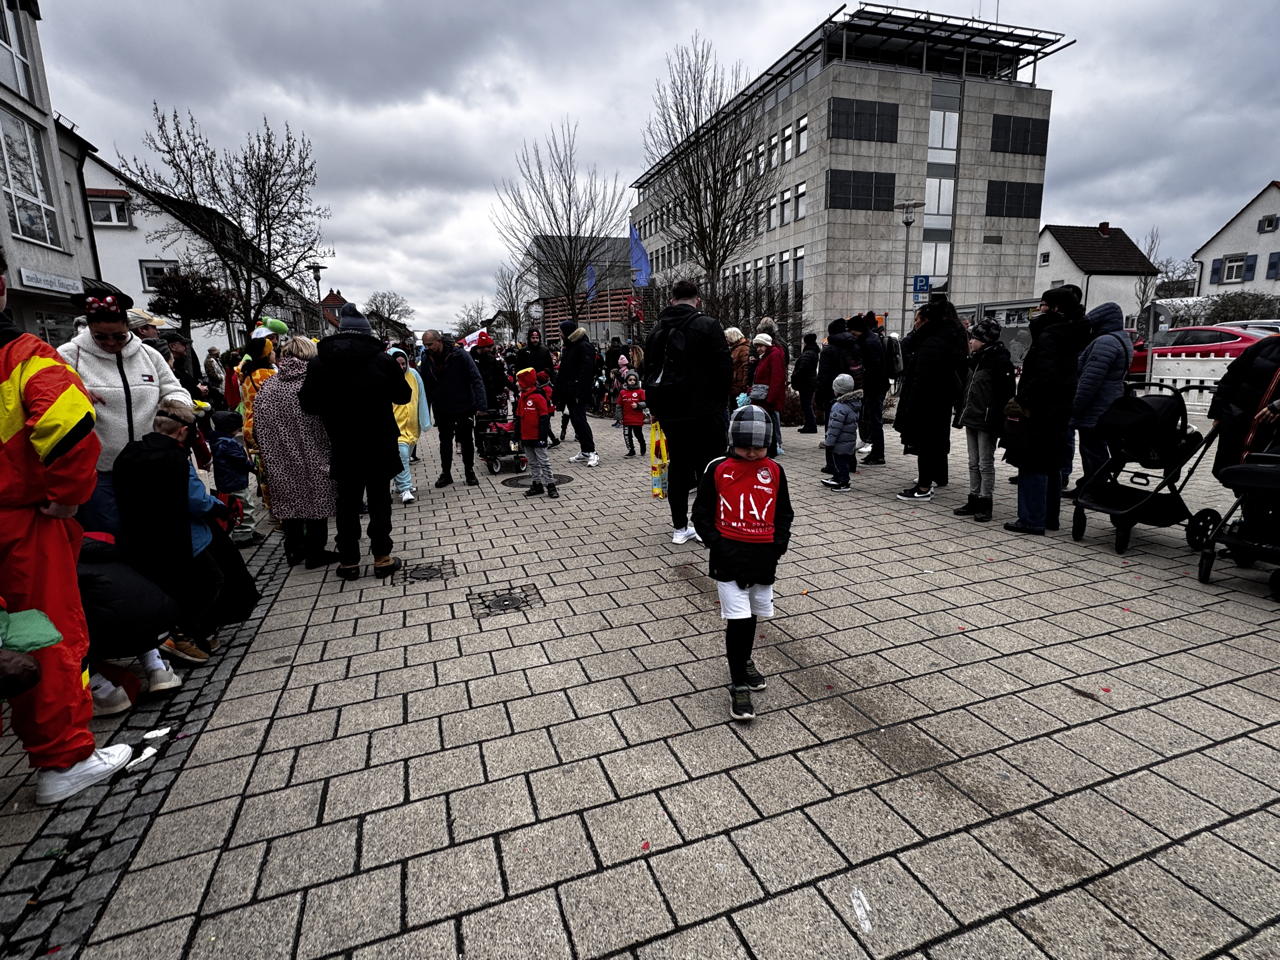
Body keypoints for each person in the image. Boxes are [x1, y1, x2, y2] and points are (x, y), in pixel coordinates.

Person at [0, 302, 132, 803]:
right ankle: (64, 761)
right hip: (19, 526)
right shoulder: (24, 360)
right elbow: (72, 425)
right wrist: (67, 496)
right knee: (42, 636)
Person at [690, 405, 794, 722]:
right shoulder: (719, 468)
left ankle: (744, 659)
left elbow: (784, 512)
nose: (752, 453)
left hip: (763, 558)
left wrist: (778, 546)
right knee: (738, 620)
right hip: (728, 558)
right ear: (732, 441)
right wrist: (719, 546)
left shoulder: (774, 471)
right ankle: (737, 684)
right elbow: (702, 514)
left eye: (759, 446)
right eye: (745, 446)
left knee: (752, 617)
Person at [57, 293, 190, 534]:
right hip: (100, 472)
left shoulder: (149, 355)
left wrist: (174, 412)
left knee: (151, 532)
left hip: (147, 467)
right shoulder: (69, 355)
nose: (110, 343)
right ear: (89, 329)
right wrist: (76, 396)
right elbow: (50, 399)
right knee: (111, 535)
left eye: (118, 336)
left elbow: (174, 390)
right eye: (100, 337)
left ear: (129, 328)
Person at [300, 304, 410, 579]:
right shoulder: (382, 360)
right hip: (379, 441)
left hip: (342, 441)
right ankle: (382, 557)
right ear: (366, 333)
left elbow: (308, 404)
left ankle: (349, 560)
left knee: (347, 503)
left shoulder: (319, 362)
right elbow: (403, 396)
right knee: (379, 500)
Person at [644, 279, 732, 543]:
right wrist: (721, 402)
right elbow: (723, 369)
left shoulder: (656, 329)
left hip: (671, 411)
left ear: (672, 300)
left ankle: (679, 527)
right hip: (706, 410)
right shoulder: (708, 325)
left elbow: (649, 371)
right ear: (698, 300)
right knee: (709, 467)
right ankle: (704, 525)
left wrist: (656, 408)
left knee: (679, 467)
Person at [1004, 288, 1090, 535]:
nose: (1039, 309)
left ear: (1055, 308)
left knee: (1032, 463)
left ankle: (1031, 519)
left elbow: (1044, 376)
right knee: (1052, 464)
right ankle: (1050, 517)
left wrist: (1025, 401)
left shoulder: (1051, 335)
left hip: (1041, 410)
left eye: (1043, 305)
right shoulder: (1073, 331)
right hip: (1060, 409)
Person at [253, 335, 339, 569]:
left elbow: (256, 426)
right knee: (317, 502)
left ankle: (294, 550)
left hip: (278, 458)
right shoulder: (312, 384)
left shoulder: (269, 386)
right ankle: (315, 552)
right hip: (313, 451)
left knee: (290, 504)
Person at [894, 300, 968, 503]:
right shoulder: (950, 336)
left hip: (927, 401)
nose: (915, 324)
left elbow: (922, 377)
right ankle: (935, 477)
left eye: (918, 319)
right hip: (941, 399)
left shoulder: (933, 343)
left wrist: (911, 404)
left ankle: (924, 487)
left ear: (928, 320)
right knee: (936, 440)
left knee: (926, 443)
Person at [952, 318, 1015, 523]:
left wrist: (996, 417)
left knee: (985, 462)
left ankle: (985, 501)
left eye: (975, 338)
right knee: (973, 461)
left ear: (985, 340)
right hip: (972, 415)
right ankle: (973, 497)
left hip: (987, 418)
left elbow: (1004, 394)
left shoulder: (999, 361)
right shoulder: (975, 359)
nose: (971, 341)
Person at [1069, 302, 1132, 490]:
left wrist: (1075, 407)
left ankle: (1093, 487)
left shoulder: (1105, 342)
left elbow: (1090, 380)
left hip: (1096, 406)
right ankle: (1093, 483)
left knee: (1092, 448)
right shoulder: (1122, 338)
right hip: (1109, 402)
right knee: (1095, 448)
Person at [420, 328, 486, 487]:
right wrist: (425, 411)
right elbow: (426, 386)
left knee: (466, 440)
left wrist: (481, 405)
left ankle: (469, 472)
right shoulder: (427, 358)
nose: (427, 347)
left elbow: (476, 378)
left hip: (464, 404)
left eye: (430, 344)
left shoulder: (460, 355)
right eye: (425, 345)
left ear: (439, 341)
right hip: (442, 407)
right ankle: (446, 473)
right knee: (445, 442)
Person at [1209, 333, 1280, 478]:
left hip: (1271, 433)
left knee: (1262, 479)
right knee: (1228, 471)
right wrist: (1218, 413)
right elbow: (1231, 378)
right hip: (1239, 422)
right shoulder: (1267, 344)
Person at [210, 410, 261, 546]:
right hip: (234, 482)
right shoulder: (228, 443)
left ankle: (247, 530)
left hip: (226, 482)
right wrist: (253, 468)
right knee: (244, 507)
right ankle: (243, 535)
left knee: (236, 507)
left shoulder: (218, 441)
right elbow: (240, 460)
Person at [388, 346, 431, 504]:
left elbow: (421, 397)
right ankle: (405, 488)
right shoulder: (384, 376)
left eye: (403, 363)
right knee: (403, 456)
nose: (401, 367)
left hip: (412, 426)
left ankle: (400, 485)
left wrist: (424, 421)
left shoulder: (413, 375)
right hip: (394, 427)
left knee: (404, 456)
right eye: (397, 364)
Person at [555, 319, 599, 467]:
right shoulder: (568, 347)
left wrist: (579, 390)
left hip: (578, 392)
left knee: (580, 420)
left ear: (567, 332)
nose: (559, 334)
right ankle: (585, 450)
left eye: (560, 331)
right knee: (575, 420)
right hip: (569, 392)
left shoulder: (583, 346)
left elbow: (586, 372)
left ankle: (592, 452)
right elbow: (564, 371)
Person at [849, 313, 888, 465]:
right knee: (873, 420)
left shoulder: (869, 342)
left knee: (875, 420)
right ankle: (876, 452)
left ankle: (878, 454)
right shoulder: (869, 338)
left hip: (874, 387)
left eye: (852, 332)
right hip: (875, 386)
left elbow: (873, 368)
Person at [515, 366, 558, 499]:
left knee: (544, 461)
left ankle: (551, 485)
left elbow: (544, 419)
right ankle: (537, 484)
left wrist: (542, 437)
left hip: (538, 437)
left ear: (526, 383)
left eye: (519, 381)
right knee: (532, 462)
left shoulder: (538, 397)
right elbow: (518, 418)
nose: (517, 384)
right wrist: (516, 435)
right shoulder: (522, 398)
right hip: (526, 436)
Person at [821, 373, 861, 491]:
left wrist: (829, 441)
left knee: (839, 462)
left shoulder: (839, 406)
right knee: (842, 461)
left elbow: (834, 427)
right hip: (849, 440)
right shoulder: (853, 404)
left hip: (840, 441)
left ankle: (843, 482)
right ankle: (836, 477)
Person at [815, 318, 859, 424]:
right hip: (852, 391)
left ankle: (830, 440)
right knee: (848, 423)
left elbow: (823, 377)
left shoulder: (828, 351)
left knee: (832, 422)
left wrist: (819, 398)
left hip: (832, 393)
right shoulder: (855, 347)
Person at [751, 333, 786, 457]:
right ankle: (769, 450)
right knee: (767, 425)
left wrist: (770, 398)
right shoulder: (766, 355)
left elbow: (776, 378)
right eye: (757, 346)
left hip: (767, 399)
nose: (758, 349)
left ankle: (771, 451)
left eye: (761, 345)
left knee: (769, 425)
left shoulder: (774, 355)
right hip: (763, 397)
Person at [472, 331, 510, 413]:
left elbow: (501, 376)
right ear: (482, 347)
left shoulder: (492, 359)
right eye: (488, 347)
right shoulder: (472, 360)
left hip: (493, 396)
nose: (490, 350)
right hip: (479, 397)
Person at [791, 332, 820, 433]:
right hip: (809, 382)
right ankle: (809, 424)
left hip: (806, 383)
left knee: (806, 405)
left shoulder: (808, 353)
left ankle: (811, 425)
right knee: (807, 404)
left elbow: (803, 368)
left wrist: (795, 376)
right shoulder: (814, 352)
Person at [619, 370, 648, 457]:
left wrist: (638, 405)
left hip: (637, 419)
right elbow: (619, 406)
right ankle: (631, 450)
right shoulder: (622, 392)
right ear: (626, 380)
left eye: (634, 380)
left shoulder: (641, 391)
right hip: (626, 419)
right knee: (627, 435)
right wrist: (619, 417)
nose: (632, 381)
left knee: (638, 434)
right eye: (630, 379)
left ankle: (643, 445)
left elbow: (646, 403)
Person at [725, 327, 750, 407]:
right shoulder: (736, 348)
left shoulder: (743, 349)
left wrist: (744, 385)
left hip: (739, 386)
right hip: (735, 385)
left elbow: (746, 367)